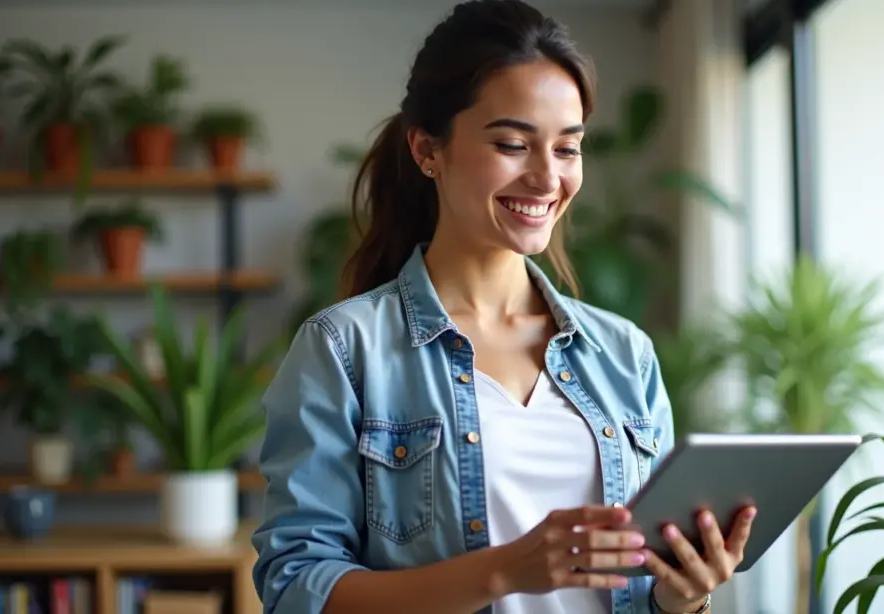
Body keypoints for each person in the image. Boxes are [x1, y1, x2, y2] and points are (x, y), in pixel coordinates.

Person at [251, 1, 755, 613]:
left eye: (568, 149)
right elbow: (296, 588)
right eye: (514, 143)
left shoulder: (625, 354)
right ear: (427, 149)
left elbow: (643, 595)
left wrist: (684, 598)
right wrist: (503, 571)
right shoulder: (344, 349)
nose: (547, 179)